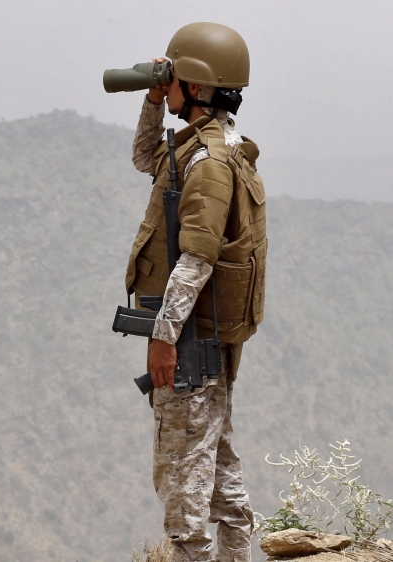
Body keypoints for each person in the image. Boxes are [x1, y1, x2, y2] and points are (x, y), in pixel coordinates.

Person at [124, 22, 267, 562]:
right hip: (207, 339)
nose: (167, 82)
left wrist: (164, 338)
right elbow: (145, 158)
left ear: (197, 84)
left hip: (189, 342)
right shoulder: (218, 148)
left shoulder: (207, 165)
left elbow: (197, 258)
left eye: (174, 74)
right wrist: (152, 100)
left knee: (182, 482)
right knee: (219, 470)